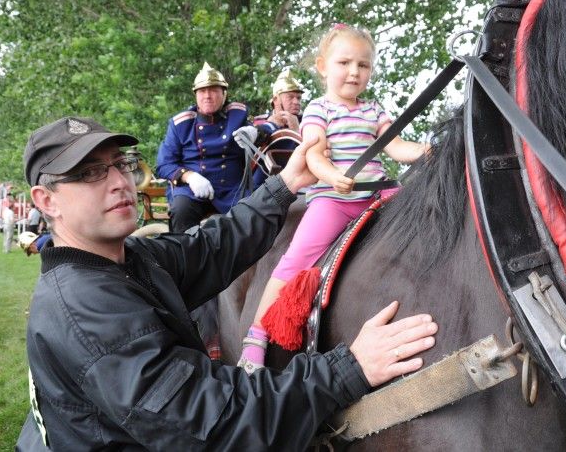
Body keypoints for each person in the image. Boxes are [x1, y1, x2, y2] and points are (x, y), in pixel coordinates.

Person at [16, 116, 437, 450]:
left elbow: (211, 249)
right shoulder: (85, 304)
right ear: (46, 201)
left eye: (120, 165)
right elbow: (215, 425)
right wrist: (349, 369)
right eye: (91, 173)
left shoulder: (122, 260)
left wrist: (286, 185)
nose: (120, 182)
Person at [239, 24, 429, 372]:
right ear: (323, 66)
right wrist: (331, 176)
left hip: (379, 193)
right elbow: (313, 153)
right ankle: (257, 334)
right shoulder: (318, 109)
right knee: (296, 258)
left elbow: (396, 147)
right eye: (345, 63)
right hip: (334, 198)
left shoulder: (374, 110)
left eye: (363, 65)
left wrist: (425, 151)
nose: (355, 72)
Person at [155, 62, 271, 233]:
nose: (207, 96)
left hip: (232, 191)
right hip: (191, 191)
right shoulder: (181, 124)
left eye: (214, 90)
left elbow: (268, 131)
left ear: (224, 94)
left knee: (256, 215)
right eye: (202, 91)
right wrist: (190, 177)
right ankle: (186, 258)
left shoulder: (237, 116)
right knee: (180, 211)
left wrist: (256, 131)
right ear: (196, 96)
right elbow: (163, 164)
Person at [252, 66, 305, 133]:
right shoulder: (258, 122)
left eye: (299, 98)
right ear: (275, 100)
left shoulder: (308, 123)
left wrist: (297, 130)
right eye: (290, 97)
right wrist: (268, 127)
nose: (296, 102)